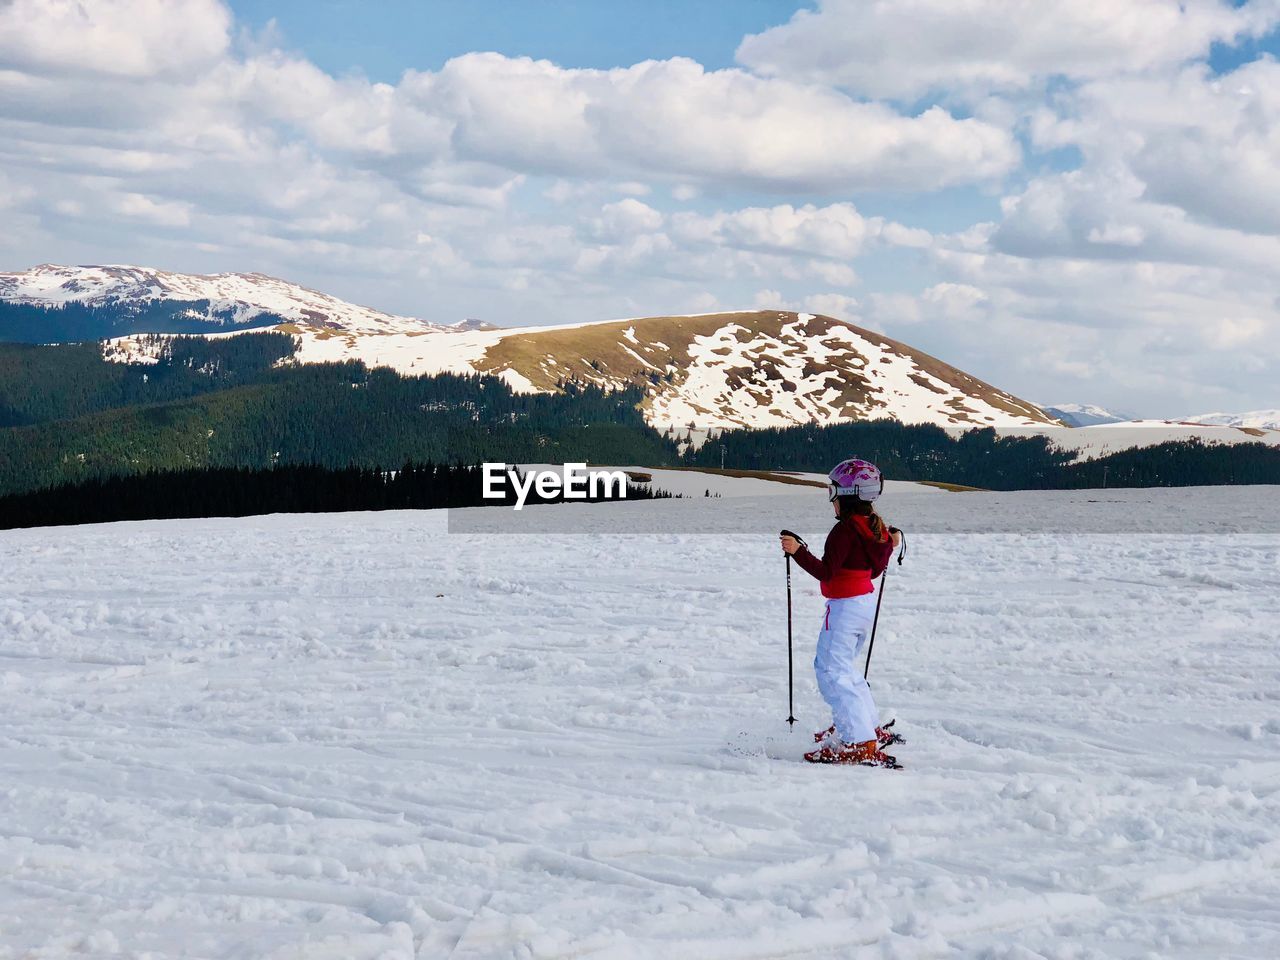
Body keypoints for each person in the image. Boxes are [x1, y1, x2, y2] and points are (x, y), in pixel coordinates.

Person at [780, 459, 903, 765]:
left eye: (834, 491)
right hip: (863, 606)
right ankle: (865, 725)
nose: (832, 499)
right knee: (845, 669)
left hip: (845, 609)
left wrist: (798, 552)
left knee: (831, 672)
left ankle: (857, 741)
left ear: (849, 494)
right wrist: (892, 542)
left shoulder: (845, 531)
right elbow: (876, 568)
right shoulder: (875, 528)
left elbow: (826, 572)